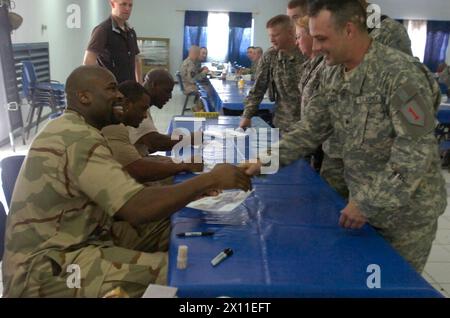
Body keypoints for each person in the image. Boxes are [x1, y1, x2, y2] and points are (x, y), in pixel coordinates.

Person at [1, 65, 252, 297]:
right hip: (44, 269)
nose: (119, 96)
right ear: (84, 97)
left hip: (86, 234)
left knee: (178, 228)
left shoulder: (79, 129)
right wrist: (210, 179)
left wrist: (195, 190)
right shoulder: (76, 137)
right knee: (182, 270)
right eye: (111, 89)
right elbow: (137, 207)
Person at [244, 0, 446, 273]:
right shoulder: (332, 71)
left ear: (349, 30)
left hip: (405, 215)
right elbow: (312, 127)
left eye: (321, 38)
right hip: (360, 203)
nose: (314, 48)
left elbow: (415, 155)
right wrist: (265, 160)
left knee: (391, 287)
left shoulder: (400, 75)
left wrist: (367, 202)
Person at [320, 0, 413, 199]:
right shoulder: (334, 65)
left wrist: (368, 201)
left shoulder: (390, 39)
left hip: (385, 177)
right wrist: (269, 159)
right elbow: (315, 121)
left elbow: (414, 146)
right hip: (342, 154)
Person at [102, 80, 202, 184]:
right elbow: (140, 170)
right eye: (142, 109)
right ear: (127, 104)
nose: (145, 115)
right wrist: (184, 164)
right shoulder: (115, 128)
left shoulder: (121, 123)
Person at [239, 15, 306, 134]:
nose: (271, 40)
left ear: (290, 32)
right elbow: (258, 89)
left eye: (275, 35)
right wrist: (247, 116)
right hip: (281, 123)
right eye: (270, 36)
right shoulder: (270, 56)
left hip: (307, 126)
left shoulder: (307, 53)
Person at [127, 69, 199, 157]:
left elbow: (148, 145)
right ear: (153, 85)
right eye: (167, 91)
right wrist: (191, 138)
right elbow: (155, 142)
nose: (170, 96)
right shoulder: (138, 108)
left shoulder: (143, 105)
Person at [83, 0, 142, 84]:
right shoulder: (103, 30)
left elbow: (136, 60)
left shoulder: (131, 32)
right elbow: (88, 62)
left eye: (130, 5)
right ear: (112, 4)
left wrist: (139, 85)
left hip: (129, 91)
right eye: (123, 4)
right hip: (110, 90)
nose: (127, 8)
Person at [295, 15, 326, 172]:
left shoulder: (327, 65)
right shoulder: (309, 64)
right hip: (309, 141)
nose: (297, 41)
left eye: (299, 36)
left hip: (322, 144)